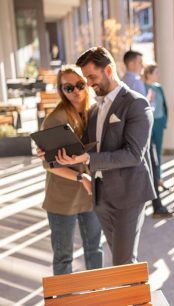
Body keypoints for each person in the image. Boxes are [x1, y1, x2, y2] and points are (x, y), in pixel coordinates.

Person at [50, 46, 155, 266]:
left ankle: (134, 300)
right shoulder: (95, 109)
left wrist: (89, 160)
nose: (88, 83)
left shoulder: (136, 104)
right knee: (119, 259)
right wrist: (50, 149)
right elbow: (86, 147)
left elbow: (134, 155)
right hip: (100, 197)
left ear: (108, 70)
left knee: (123, 262)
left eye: (91, 77)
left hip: (127, 197)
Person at [39, 64, 103, 275]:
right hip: (62, 198)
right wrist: (81, 177)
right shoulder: (55, 120)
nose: (75, 91)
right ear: (61, 90)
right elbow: (49, 164)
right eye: (68, 88)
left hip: (90, 193)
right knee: (63, 257)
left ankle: (98, 297)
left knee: (95, 249)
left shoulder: (96, 112)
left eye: (80, 84)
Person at [122, 51, 173, 218]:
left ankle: (149, 206)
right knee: (152, 167)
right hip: (143, 134)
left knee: (145, 168)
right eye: (140, 62)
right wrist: (150, 102)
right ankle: (156, 206)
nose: (142, 66)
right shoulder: (136, 83)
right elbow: (142, 112)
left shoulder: (123, 81)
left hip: (132, 134)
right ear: (131, 64)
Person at [142, 64, 168, 187]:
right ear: (149, 75)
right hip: (148, 124)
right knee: (148, 153)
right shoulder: (142, 87)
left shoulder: (159, 87)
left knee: (158, 151)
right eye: (156, 73)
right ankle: (149, 179)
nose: (159, 75)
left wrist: (164, 120)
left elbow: (164, 105)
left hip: (159, 122)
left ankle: (158, 178)